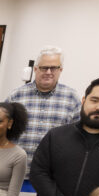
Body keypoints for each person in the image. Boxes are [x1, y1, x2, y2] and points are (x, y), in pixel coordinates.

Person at [5, 46, 81, 176]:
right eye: (44, 68)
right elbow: (3, 130)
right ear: (35, 69)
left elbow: (78, 136)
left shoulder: (72, 98)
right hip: (17, 171)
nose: (49, 72)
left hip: (52, 174)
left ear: (60, 70)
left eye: (54, 68)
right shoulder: (16, 95)